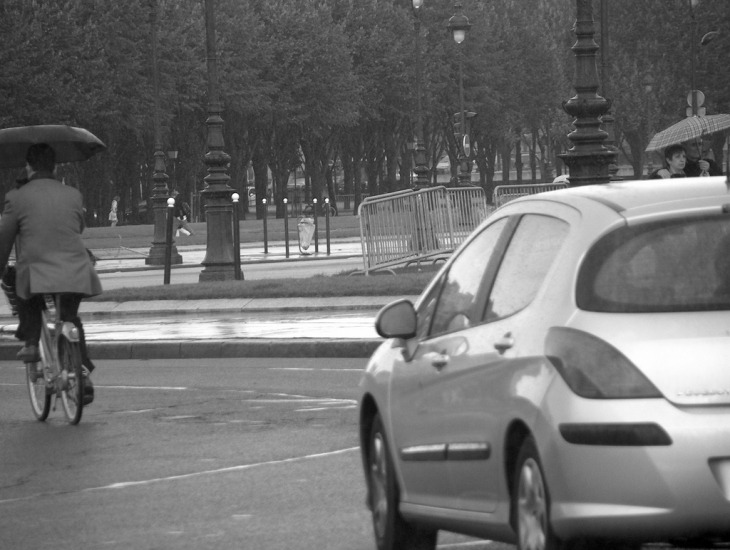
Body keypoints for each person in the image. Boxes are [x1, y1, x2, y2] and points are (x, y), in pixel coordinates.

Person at [0, 144, 102, 403]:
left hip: (37, 270)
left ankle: (32, 341)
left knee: (22, 288)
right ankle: (80, 371)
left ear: (28, 167)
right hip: (76, 269)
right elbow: (78, 227)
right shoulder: (72, 194)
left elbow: (5, 239)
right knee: (70, 318)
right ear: (55, 167)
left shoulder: (16, 197)